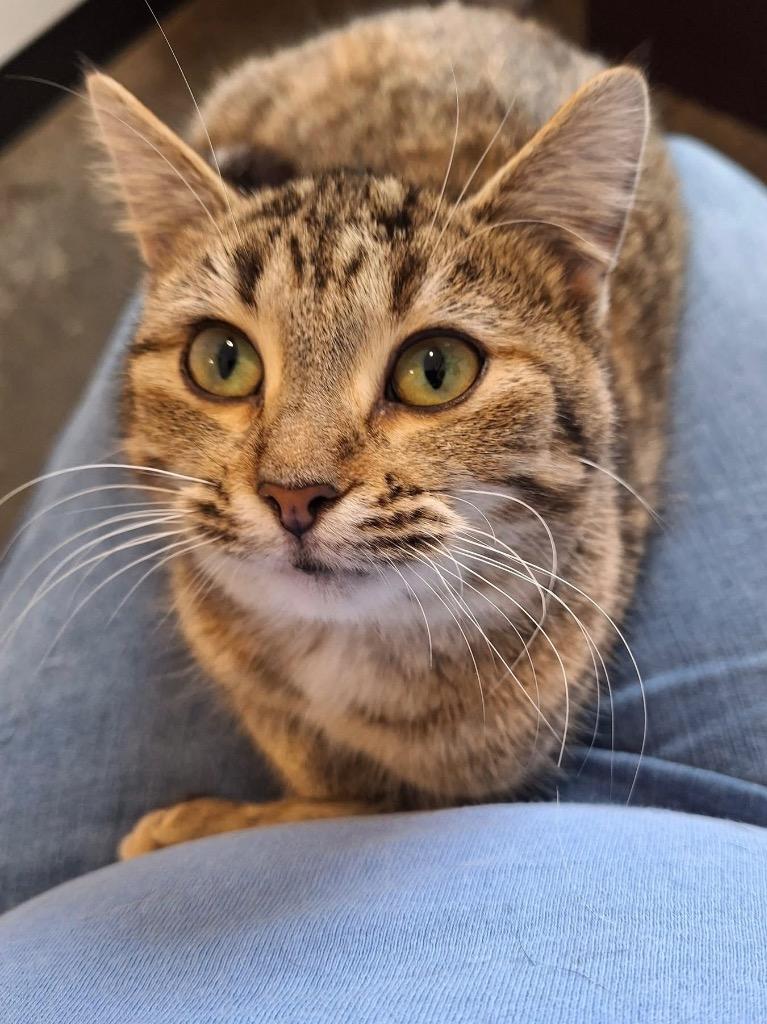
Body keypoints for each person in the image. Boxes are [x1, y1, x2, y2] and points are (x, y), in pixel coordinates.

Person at [1, 137, 765, 1022]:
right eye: (225, 360)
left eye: (431, 370)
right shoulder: (220, 574)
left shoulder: (556, 625)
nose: (294, 478)